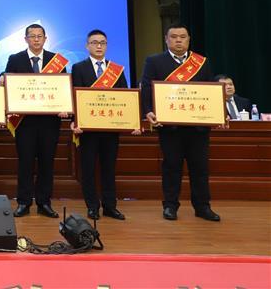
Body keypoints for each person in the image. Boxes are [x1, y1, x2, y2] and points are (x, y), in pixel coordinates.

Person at [140, 23, 219, 221]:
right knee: (171, 167)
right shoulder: (154, 61)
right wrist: (148, 111)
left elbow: (211, 90)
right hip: (170, 127)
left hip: (198, 128)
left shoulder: (201, 62)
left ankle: (202, 207)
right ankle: (170, 206)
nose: (178, 40)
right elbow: (147, 89)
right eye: (174, 37)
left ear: (189, 39)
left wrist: (218, 112)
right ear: (166, 40)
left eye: (182, 37)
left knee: (200, 168)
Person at [3, 23, 68, 218]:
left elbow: (64, 88)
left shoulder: (56, 61)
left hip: (50, 122)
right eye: (32, 36)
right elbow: (7, 80)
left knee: (47, 163)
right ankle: (23, 202)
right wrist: (2, 78)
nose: (36, 39)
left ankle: (44, 202)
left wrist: (65, 106)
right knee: (25, 163)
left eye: (40, 36)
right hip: (25, 122)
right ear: (26, 39)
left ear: (45, 39)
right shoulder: (15, 59)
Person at [70, 29, 134, 220]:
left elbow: (125, 97)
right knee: (88, 169)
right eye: (94, 42)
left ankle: (109, 206)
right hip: (87, 130)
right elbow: (74, 96)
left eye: (102, 43)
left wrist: (131, 121)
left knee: (109, 169)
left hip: (110, 129)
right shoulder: (78, 68)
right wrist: (75, 121)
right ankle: (92, 206)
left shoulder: (116, 70)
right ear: (87, 46)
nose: (99, 46)